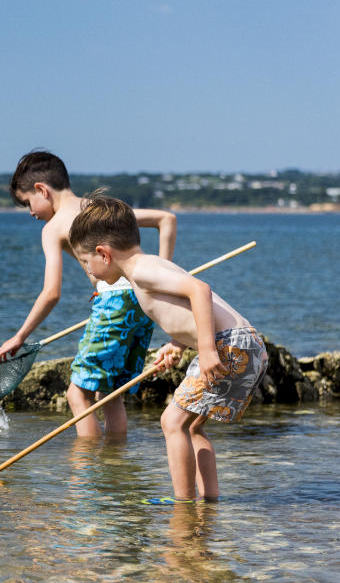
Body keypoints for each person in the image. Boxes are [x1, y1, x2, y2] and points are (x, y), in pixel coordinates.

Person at [68, 195, 267, 504]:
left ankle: (184, 505)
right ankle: (209, 501)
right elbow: (190, 312)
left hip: (228, 344)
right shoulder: (153, 265)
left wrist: (206, 349)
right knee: (192, 426)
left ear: (103, 254)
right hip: (245, 343)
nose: (89, 272)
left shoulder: (142, 272)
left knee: (171, 422)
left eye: (85, 263)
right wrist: (177, 344)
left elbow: (199, 291)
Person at [0, 151, 176, 439]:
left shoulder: (53, 229)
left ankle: (87, 473)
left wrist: (20, 336)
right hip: (141, 301)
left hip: (113, 303)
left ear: (42, 190)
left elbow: (51, 293)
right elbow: (166, 219)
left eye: (28, 203)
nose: (31, 212)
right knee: (111, 394)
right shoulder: (103, 208)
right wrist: (160, 276)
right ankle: (115, 465)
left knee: (77, 395)